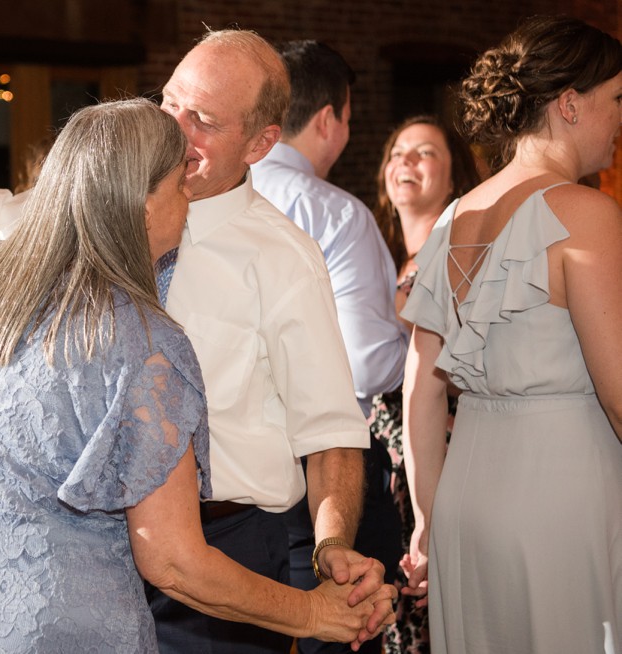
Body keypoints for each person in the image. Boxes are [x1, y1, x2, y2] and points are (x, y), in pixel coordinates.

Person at [0, 28, 394, 654]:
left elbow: (328, 434)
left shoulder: (284, 258)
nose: (174, 127)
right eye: (170, 103)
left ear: (261, 142)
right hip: (94, 578)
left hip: (218, 551)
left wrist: (330, 549)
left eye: (203, 120)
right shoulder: (113, 275)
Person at [400, 15, 622, 653]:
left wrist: (426, 519)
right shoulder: (587, 214)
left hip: (468, 498)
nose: (619, 120)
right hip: (563, 493)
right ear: (571, 104)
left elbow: (421, 390)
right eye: (616, 100)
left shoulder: (452, 216)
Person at [250, 41, 408, 654]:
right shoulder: (337, 214)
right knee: (343, 631)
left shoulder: (210, 202)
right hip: (330, 466)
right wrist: (412, 335)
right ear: (329, 119)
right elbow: (367, 363)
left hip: (242, 472)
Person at [368, 115, 480, 654]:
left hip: (441, 450)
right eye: (398, 151)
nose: (406, 161)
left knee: (440, 599)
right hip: (388, 457)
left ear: (455, 178)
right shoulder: (385, 257)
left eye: (425, 152)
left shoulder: (460, 254)